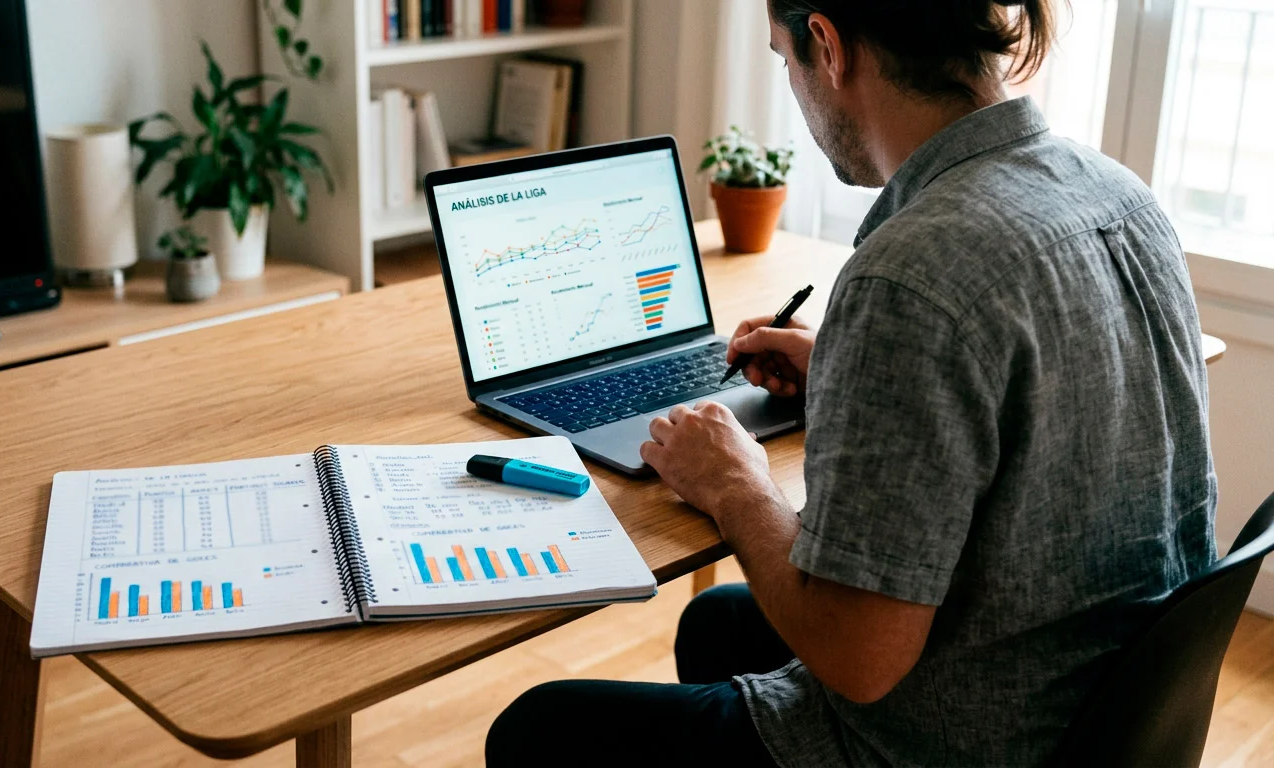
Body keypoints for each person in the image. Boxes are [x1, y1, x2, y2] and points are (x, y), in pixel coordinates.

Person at [486, 0, 1216, 764]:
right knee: (718, 622)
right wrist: (849, 367)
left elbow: (859, 659)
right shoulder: (1120, 193)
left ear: (828, 46)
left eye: (783, 57)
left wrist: (734, 483)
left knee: (537, 727)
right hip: (1097, 704)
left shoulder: (911, 276)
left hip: (961, 741)